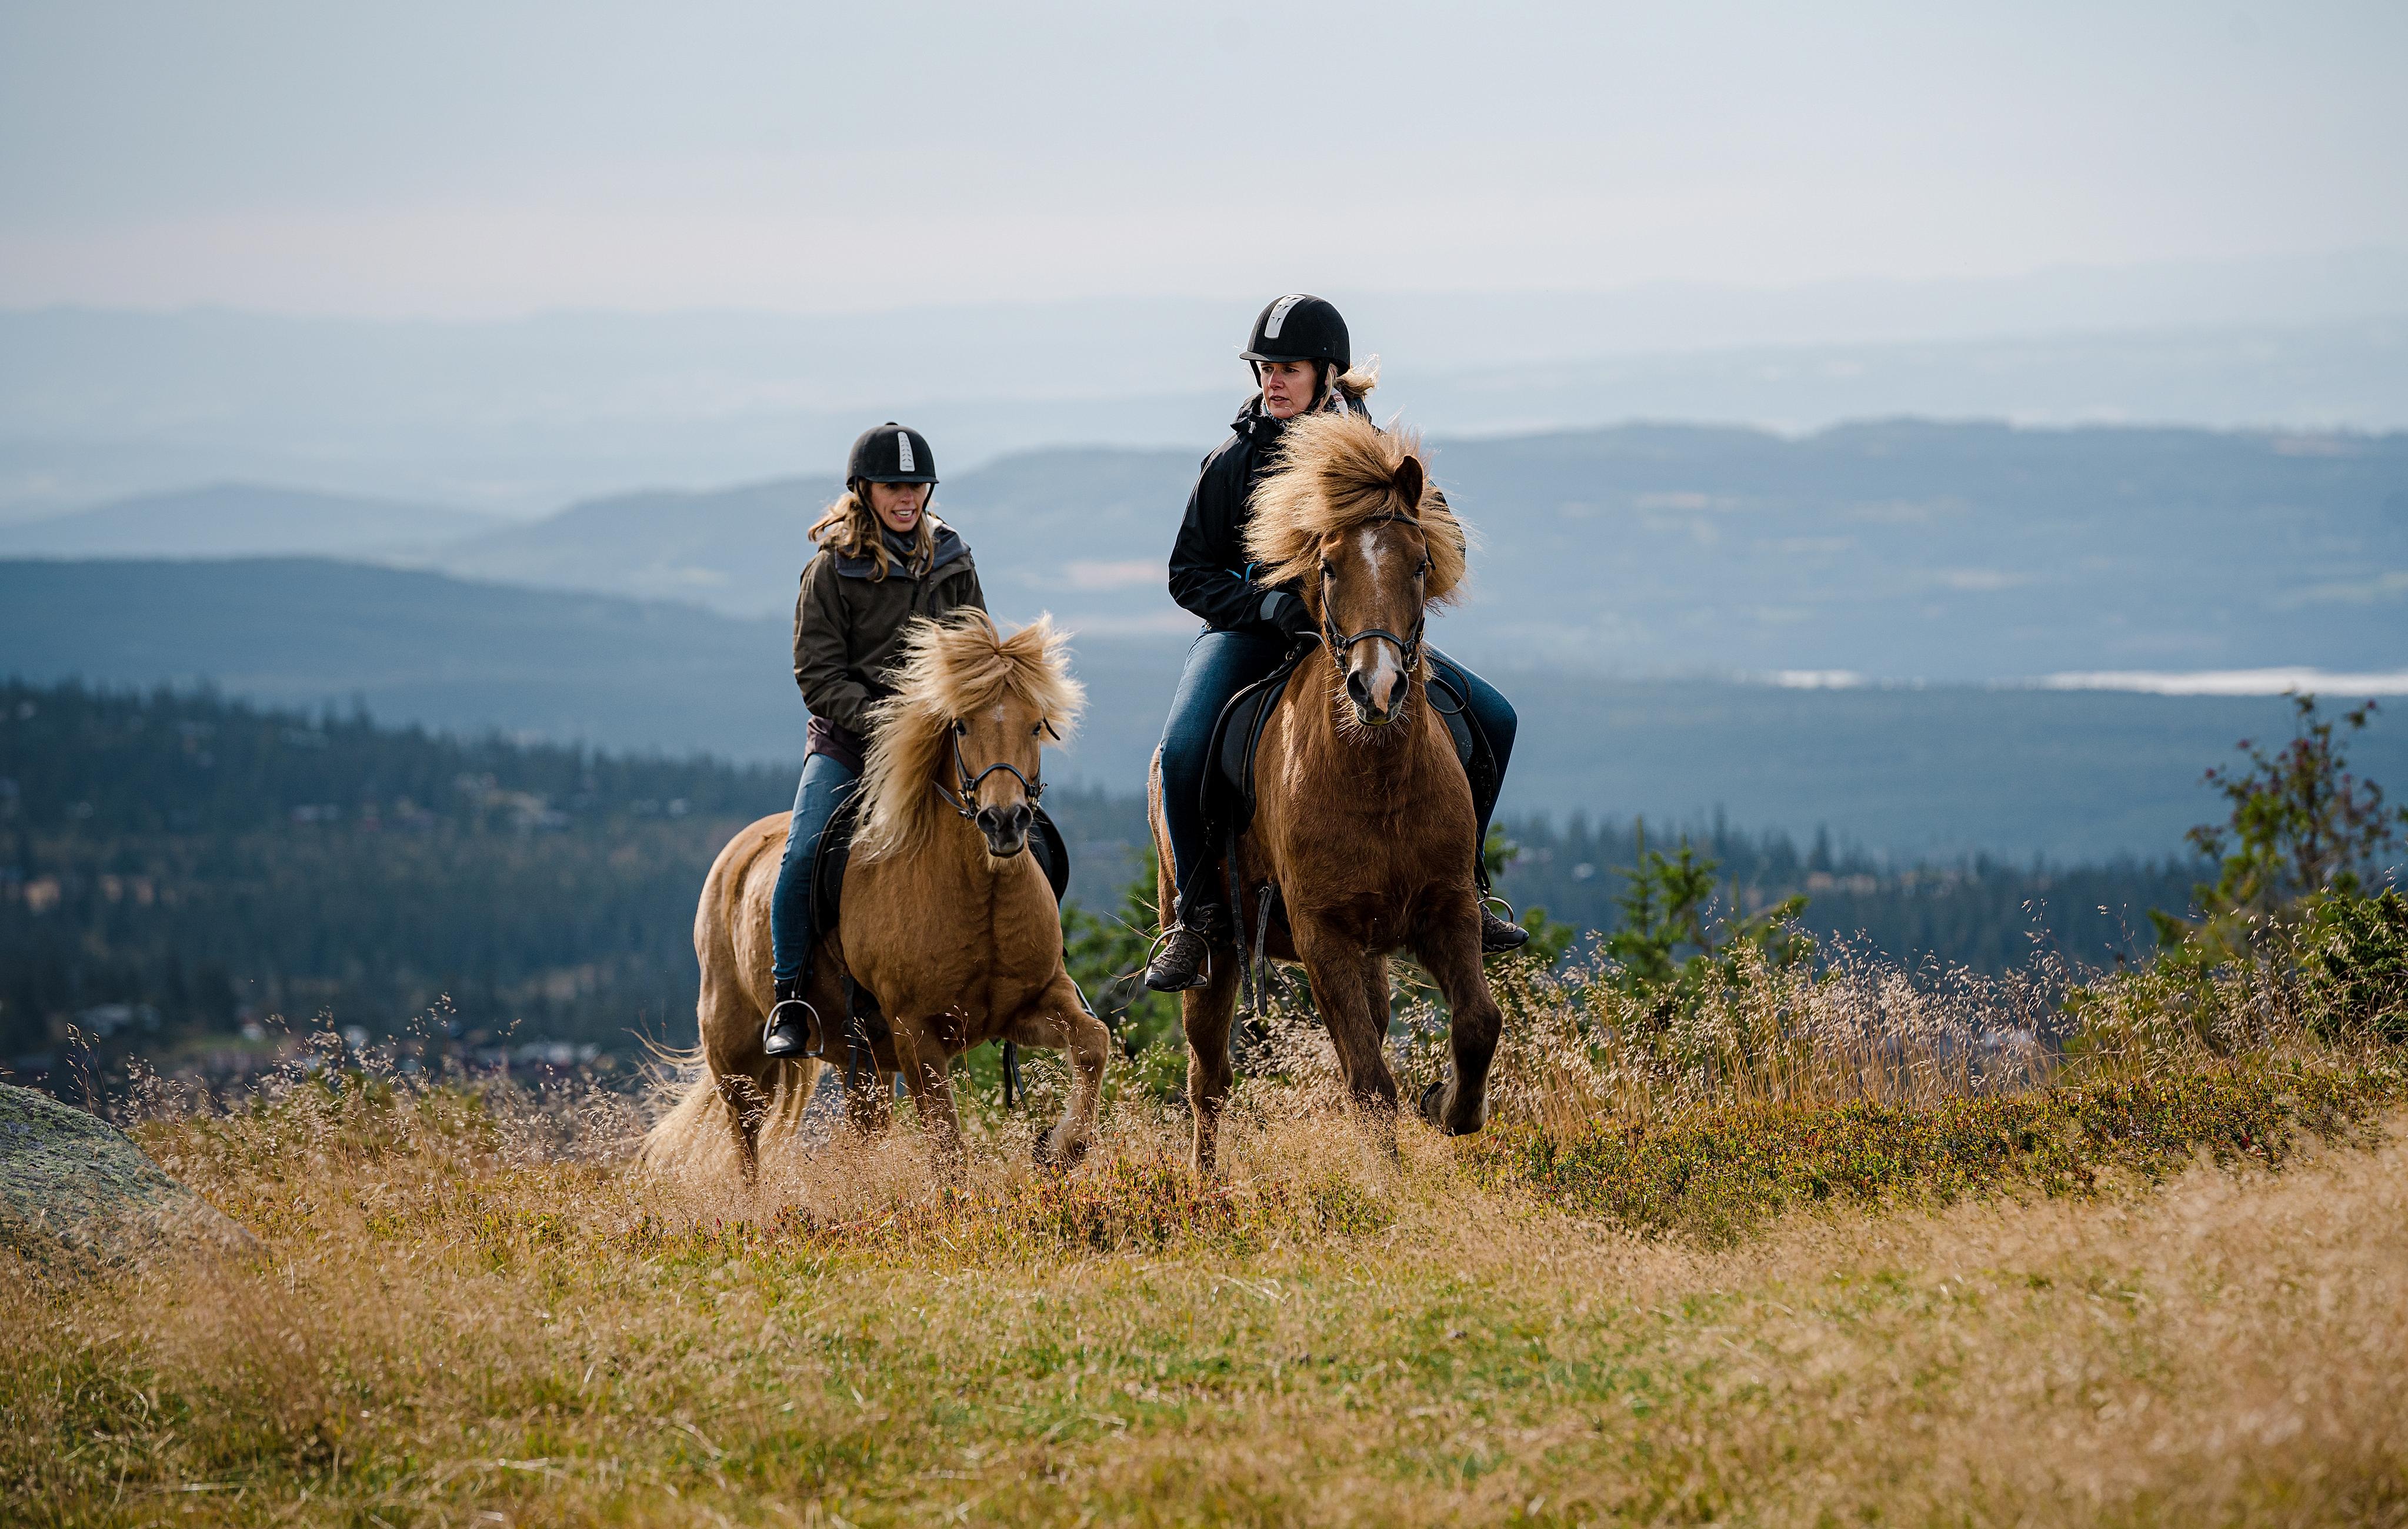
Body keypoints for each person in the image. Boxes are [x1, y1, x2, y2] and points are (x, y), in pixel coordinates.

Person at [1142, 294, 1526, 992]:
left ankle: (1465, 884)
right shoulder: (1236, 459)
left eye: (1287, 368)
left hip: (1358, 639)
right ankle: (1195, 918)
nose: (1272, 381)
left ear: (1326, 373)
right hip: (1253, 635)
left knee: (1495, 719)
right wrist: (1265, 605)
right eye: (1264, 368)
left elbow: (1441, 547)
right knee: (1183, 747)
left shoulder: (1377, 456)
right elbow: (1187, 573)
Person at [762, 421, 985, 1057]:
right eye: (893, 487)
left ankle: (1033, 969)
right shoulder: (830, 569)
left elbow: (975, 650)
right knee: (804, 853)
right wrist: (886, 723)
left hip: (937, 742)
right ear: (864, 490)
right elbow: (818, 675)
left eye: (916, 486)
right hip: (850, 744)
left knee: (1011, 818)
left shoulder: (952, 558)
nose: (907, 497)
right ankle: (790, 997)